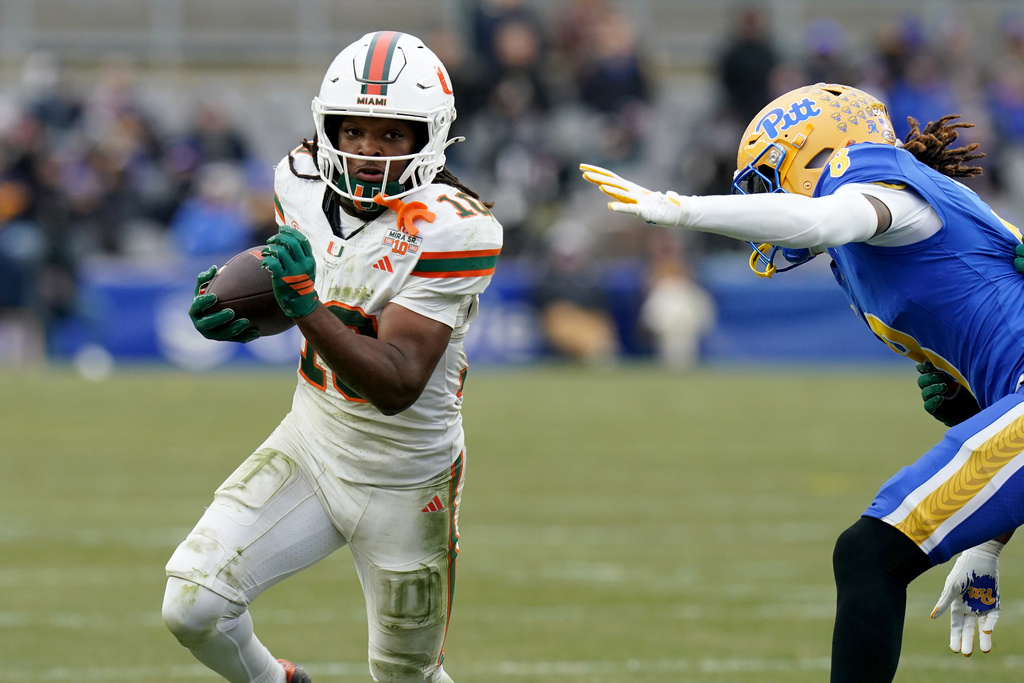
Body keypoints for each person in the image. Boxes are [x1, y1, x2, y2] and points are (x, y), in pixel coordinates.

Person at [580, 82, 1024, 682]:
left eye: (772, 179)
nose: (768, 199)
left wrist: (681, 208)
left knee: (870, 555)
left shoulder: (882, 185)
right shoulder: (868, 251)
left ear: (821, 152)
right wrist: (983, 542)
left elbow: (819, 217)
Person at [161, 31, 503, 683]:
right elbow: (313, 295)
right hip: (312, 445)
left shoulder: (456, 227)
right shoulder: (297, 177)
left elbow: (396, 379)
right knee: (193, 603)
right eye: (353, 130)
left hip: (406, 481)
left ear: (428, 138)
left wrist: (299, 305)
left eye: (390, 135)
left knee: (405, 674)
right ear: (327, 127)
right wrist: (245, 320)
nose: (367, 151)